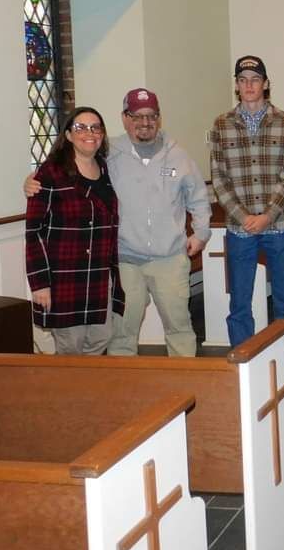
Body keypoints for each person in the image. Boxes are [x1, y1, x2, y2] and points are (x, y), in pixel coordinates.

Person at [24, 89, 211, 357]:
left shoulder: (179, 156)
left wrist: (201, 233)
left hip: (169, 258)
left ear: (159, 118)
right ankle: (126, 391)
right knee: (121, 333)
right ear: (125, 118)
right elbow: (67, 170)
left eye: (151, 116)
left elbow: (198, 197)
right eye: (136, 116)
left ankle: (185, 385)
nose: (144, 122)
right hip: (124, 261)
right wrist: (30, 182)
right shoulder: (108, 154)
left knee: (180, 328)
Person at [210, 56, 284, 369]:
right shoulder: (221, 124)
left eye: (255, 79)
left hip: (279, 226)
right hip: (240, 229)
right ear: (236, 85)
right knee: (239, 304)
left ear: (266, 84)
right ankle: (244, 370)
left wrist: (267, 216)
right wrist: (241, 215)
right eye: (242, 79)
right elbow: (219, 176)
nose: (249, 85)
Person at [25, 106, 124, 355]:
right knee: (71, 347)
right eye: (81, 127)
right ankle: (68, 393)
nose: (89, 133)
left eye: (96, 127)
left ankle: (87, 389)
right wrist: (40, 284)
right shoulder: (50, 174)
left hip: (100, 275)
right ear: (68, 135)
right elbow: (33, 231)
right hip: (64, 277)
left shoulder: (105, 168)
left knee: (103, 337)